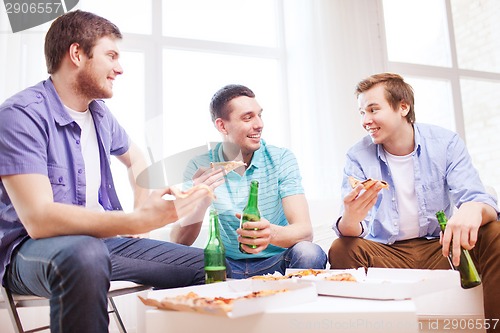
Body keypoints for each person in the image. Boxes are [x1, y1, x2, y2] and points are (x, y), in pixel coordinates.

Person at [0, 10, 214, 333]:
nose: (120, 68)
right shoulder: (21, 116)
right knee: (85, 254)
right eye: (111, 55)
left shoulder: (100, 115)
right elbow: (39, 220)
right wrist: (136, 220)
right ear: (77, 54)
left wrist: (142, 209)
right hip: (28, 252)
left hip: (100, 245)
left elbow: (136, 157)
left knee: (205, 265)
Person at [329, 72, 500, 330]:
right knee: (341, 248)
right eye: (362, 112)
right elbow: (352, 230)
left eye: (373, 110)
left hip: (440, 248)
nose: (366, 121)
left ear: (403, 107)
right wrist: (350, 218)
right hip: (387, 252)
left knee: (495, 231)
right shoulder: (357, 156)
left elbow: (477, 198)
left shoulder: (445, 144)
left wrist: (474, 208)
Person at [170, 84, 327, 278]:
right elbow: (178, 241)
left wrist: (270, 234)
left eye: (259, 115)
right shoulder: (200, 165)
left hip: (277, 262)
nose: (259, 124)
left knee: (310, 253)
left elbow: (304, 231)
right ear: (222, 125)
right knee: (176, 265)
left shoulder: (281, 158)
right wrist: (199, 204)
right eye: (248, 117)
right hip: (226, 266)